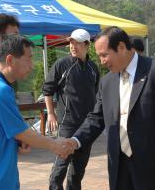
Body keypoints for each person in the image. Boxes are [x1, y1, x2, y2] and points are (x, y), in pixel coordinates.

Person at [67, 26, 155, 190]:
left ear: (121, 47)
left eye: (104, 55)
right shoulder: (107, 82)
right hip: (119, 167)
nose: (102, 61)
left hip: (154, 167)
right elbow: (96, 118)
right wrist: (74, 141)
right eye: (99, 56)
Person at [0, 34, 74, 190]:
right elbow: (22, 133)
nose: (32, 64)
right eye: (28, 58)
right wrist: (55, 145)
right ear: (10, 60)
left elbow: (11, 130)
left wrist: (18, 141)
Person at [43, 28, 100, 190]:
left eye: (78, 43)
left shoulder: (93, 68)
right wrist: (51, 114)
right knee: (61, 165)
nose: (73, 46)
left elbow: (96, 95)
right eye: (71, 42)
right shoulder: (62, 64)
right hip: (67, 124)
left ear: (87, 45)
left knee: (79, 169)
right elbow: (48, 90)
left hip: (87, 127)